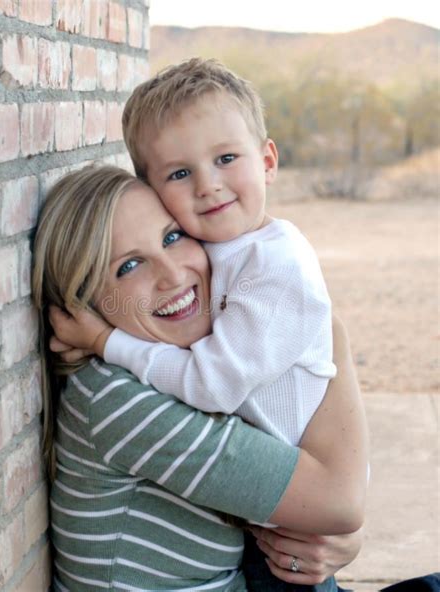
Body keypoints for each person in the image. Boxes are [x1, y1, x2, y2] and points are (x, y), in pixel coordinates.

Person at [49, 58, 357, 590]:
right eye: (128, 265)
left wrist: (335, 530)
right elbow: (335, 503)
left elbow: (330, 509)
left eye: (171, 238)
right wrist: (335, 520)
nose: (172, 274)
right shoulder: (121, 401)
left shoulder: (259, 269)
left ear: (267, 161)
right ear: (84, 297)